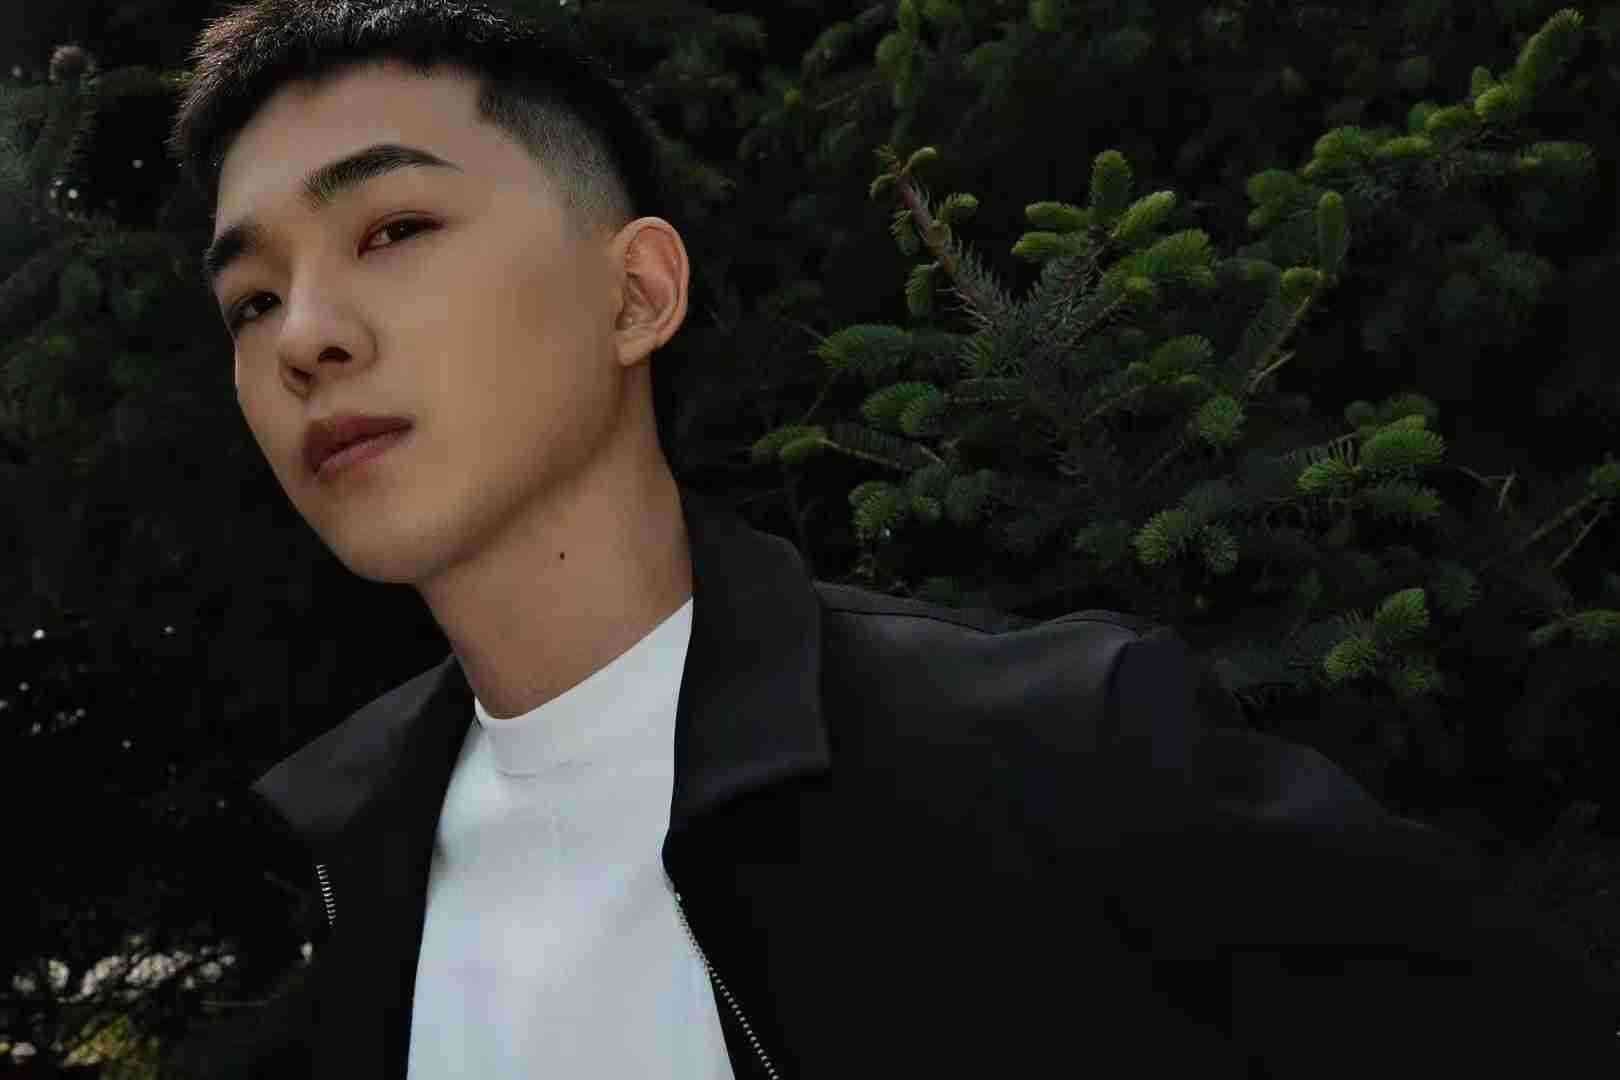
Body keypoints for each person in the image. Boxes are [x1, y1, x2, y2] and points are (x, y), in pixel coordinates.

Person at [165, 1, 1619, 1076]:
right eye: (251, 299)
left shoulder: (1059, 756)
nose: (305, 337)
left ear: (635, 295)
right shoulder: (347, 897)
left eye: (394, 230)